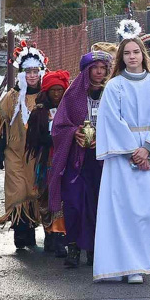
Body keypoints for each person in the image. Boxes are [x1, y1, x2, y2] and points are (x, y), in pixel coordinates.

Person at [93, 29, 150, 283]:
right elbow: (112, 121)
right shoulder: (114, 86)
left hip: (149, 157)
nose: (132, 57)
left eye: (136, 52)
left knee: (149, 211)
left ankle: (139, 265)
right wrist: (134, 151)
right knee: (122, 211)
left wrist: (149, 149)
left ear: (144, 56)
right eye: (127, 53)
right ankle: (122, 265)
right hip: (123, 159)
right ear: (121, 57)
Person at [48, 50, 112, 268]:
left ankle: (95, 249)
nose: (99, 72)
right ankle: (73, 247)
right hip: (76, 160)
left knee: (98, 203)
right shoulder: (73, 95)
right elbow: (58, 126)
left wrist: (105, 138)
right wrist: (73, 132)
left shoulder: (112, 93)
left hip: (103, 160)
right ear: (86, 71)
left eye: (103, 68)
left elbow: (121, 123)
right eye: (95, 68)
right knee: (74, 203)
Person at [0, 42, 48, 249]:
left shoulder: (46, 96)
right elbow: (2, 123)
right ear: (21, 73)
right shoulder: (11, 97)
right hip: (15, 152)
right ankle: (20, 232)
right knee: (18, 191)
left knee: (35, 191)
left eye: (35, 71)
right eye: (28, 71)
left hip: (38, 153)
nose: (32, 76)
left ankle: (35, 228)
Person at [25, 69, 70, 257]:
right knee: (45, 196)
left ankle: (61, 236)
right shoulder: (39, 112)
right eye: (53, 91)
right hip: (46, 161)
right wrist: (48, 139)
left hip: (65, 160)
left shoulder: (69, 109)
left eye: (60, 90)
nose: (57, 94)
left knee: (62, 198)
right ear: (47, 92)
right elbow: (32, 138)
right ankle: (49, 232)